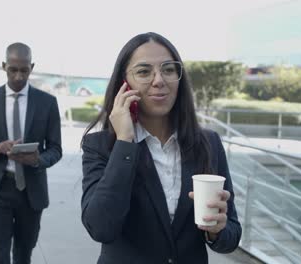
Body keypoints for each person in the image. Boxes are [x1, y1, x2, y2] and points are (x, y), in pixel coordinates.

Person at [80, 32, 241, 264]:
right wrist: (125, 140)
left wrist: (217, 230)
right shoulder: (101, 146)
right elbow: (101, 228)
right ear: (124, 83)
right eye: (144, 72)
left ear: (179, 77)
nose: (159, 80)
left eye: (168, 69)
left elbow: (231, 236)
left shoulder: (209, 143)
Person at [0, 42, 62, 264]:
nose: (18, 76)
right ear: (3, 66)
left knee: (23, 254)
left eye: (24, 70)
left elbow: (56, 149)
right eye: (13, 70)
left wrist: (38, 160)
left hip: (31, 192)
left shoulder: (47, 103)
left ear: (32, 67)